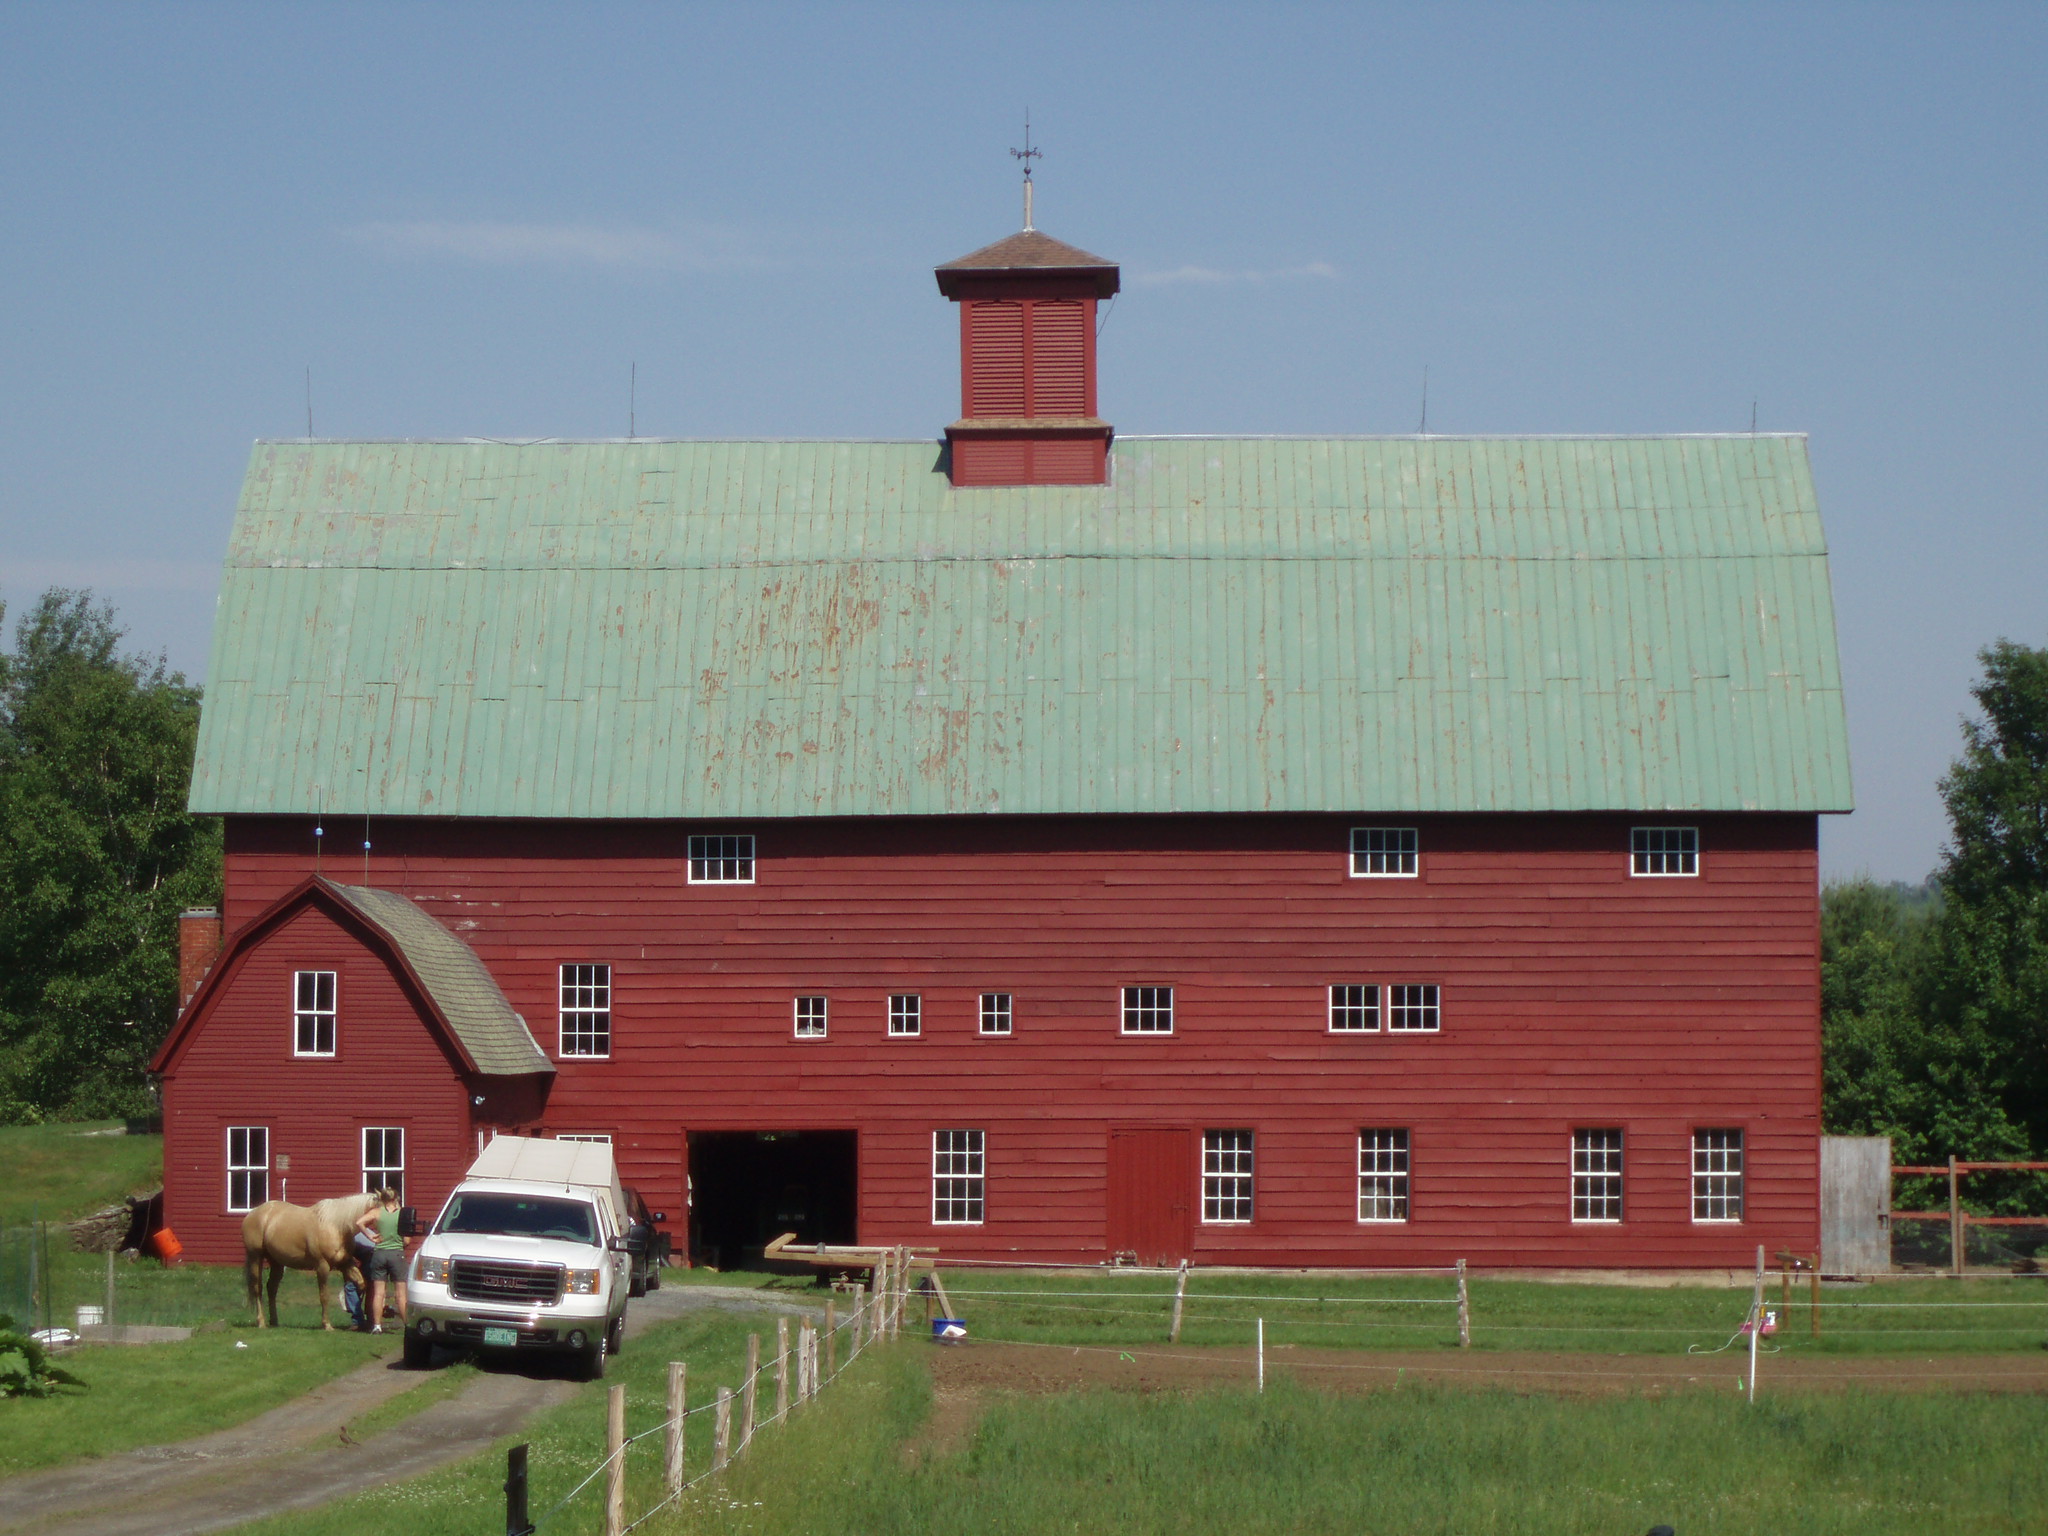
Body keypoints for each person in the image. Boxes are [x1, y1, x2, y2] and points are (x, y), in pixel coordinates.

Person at [354, 1186, 408, 1334]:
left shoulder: (376, 1212)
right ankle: (407, 1325)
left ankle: (377, 1326)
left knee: (379, 1293)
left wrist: (370, 1236)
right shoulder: (402, 1215)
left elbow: (359, 1222)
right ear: (396, 1198)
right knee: (401, 1294)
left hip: (379, 1253)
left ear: (382, 1199)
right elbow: (407, 1241)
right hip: (396, 1253)